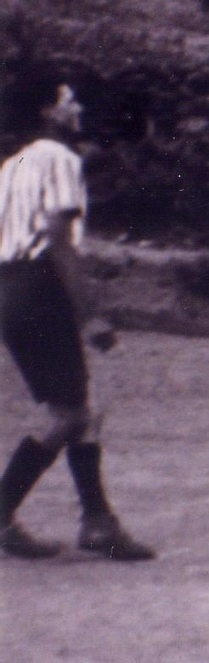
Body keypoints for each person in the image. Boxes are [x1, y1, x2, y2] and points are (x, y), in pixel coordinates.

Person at [0, 64, 154, 562]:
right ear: (48, 109)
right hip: (38, 286)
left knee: (80, 406)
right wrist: (89, 315)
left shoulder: (11, 166)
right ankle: (4, 512)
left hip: (10, 288)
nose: (78, 108)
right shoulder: (59, 158)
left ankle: (97, 519)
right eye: (69, 100)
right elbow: (60, 242)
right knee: (69, 414)